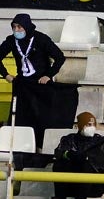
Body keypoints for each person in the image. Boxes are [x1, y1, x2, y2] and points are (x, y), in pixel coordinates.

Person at [0, 13, 65, 149]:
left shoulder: (41, 39)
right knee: (20, 117)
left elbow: (60, 57)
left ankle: (41, 147)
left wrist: (48, 75)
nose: (16, 30)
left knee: (41, 117)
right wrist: (6, 75)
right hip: (22, 85)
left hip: (41, 84)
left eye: (19, 27)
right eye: (14, 27)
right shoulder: (11, 40)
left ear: (27, 26)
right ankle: (19, 147)